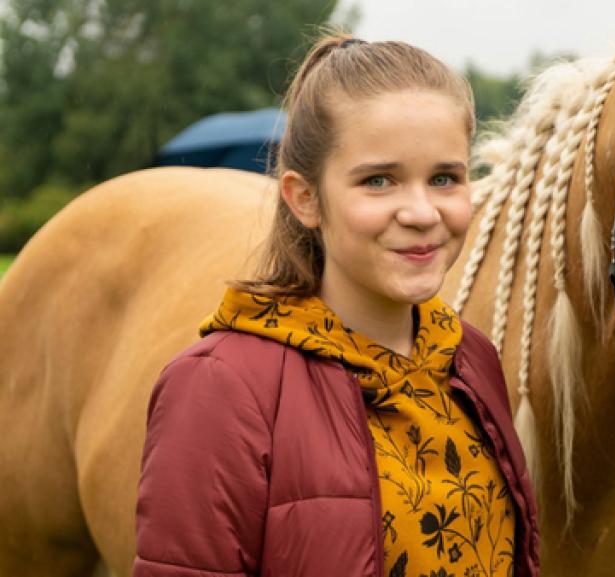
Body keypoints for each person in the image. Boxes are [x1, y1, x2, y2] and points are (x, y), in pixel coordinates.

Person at [132, 32, 539, 577]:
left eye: (444, 178)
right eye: (379, 181)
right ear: (305, 199)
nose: (422, 212)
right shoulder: (220, 387)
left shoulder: (472, 359)